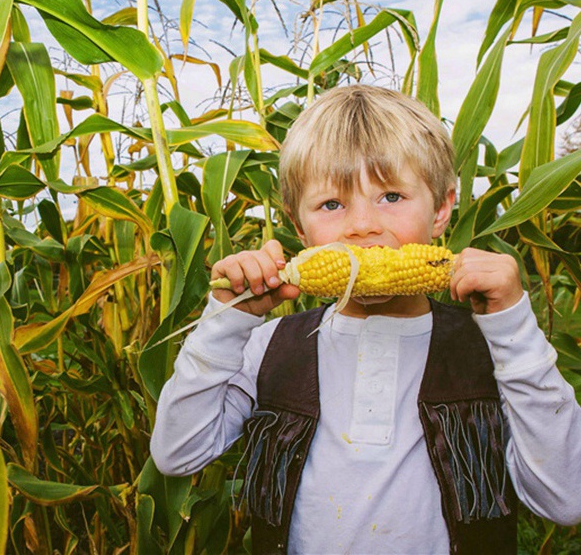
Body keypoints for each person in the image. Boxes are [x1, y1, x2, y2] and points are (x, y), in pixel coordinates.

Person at [150, 85, 581, 554]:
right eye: (331, 205)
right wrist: (227, 320)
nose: (362, 226)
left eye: (391, 196)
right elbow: (178, 454)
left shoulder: (491, 347)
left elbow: (565, 499)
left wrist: (514, 329)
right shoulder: (269, 345)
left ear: (441, 209)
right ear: (299, 227)